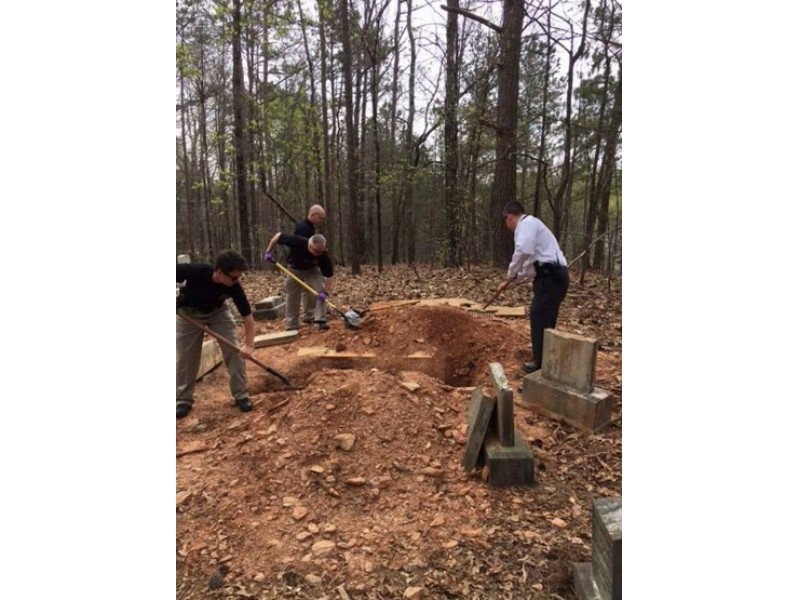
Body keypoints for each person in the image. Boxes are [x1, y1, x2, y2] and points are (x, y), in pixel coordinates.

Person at [176, 250, 256, 419]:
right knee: (186, 357)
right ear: (219, 272)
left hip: (218, 312)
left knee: (234, 350)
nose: (236, 281)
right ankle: (183, 400)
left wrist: (249, 345)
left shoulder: (234, 287)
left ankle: (241, 395)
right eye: (233, 277)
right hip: (188, 314)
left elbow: (248, 317)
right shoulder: (195, 271)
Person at [496, 201, 569, 374]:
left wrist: (510, 274)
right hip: (548, 277)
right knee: (544, 318)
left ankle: (541, 363)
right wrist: (511, 281)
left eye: (506, 221)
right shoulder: (532, 227)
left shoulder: (527, 223)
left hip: (552, 277)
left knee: (539, 316)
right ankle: (545, 361)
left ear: (510, 216)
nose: (508, 227)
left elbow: (522, 251)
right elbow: (529, 267)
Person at [263, 232, 334, 331]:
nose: (318, 254)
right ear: (310, 245)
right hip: (294, 270)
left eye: (320, 252)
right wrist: (268, 251)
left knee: (320, 290)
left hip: (312, 270)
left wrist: (325, 292)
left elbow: (329, 276)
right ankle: (292, 325)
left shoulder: (323, 255)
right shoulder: (298, 241)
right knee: (292, 295)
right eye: (316, 251)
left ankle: (321, 321)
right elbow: (278, 236)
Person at [293, 204, 326, 322]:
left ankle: (309, 316)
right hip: (299, 265)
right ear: (313, 214)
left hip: (308, 264)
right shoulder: (303, 228)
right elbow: (301, 247)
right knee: (298, 292)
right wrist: (313, 259)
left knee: (309, 290)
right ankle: (298, 319)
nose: (321, 220)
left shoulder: (310, 227)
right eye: (320, 217)